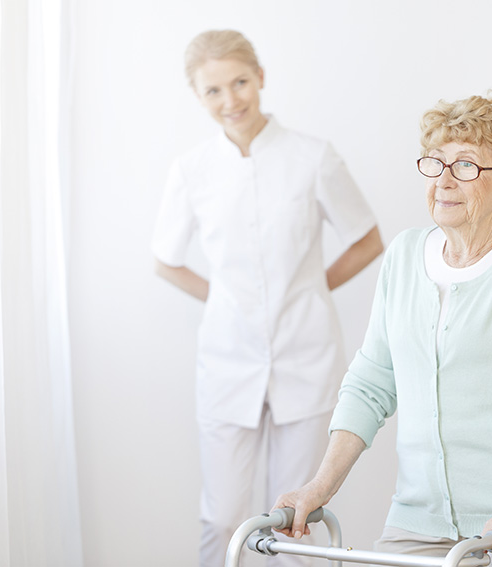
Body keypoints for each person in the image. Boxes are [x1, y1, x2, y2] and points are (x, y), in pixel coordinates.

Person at [273, 95, 492, 567]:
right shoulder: (403, 255)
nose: (443, 180)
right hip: (417, 519)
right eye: (436, 162)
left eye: (465, 166)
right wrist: (318, 487)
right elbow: (372, 382)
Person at [151, 29, 383, 567]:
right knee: (223, 513)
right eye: (213, 91)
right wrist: (226, 301)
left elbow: (367, 239)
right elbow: (164, 259)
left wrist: (305, 290)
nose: (230, 100)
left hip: (306, 355)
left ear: (260, 79)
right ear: (197, 95)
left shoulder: (313, 157)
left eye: (239, 83)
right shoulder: (192, 172)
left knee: (297, 517)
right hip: (227, 361)